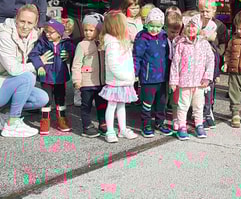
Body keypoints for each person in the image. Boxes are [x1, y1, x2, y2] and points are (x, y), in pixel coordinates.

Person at [0, 4, 52, 138]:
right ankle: (12, 123)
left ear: (35, 23)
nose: (25, 26)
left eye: (29, 23)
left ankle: (3, 114)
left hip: (5, 84)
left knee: (42, 98)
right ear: (16, 19)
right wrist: (37, 63)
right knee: (28, 77)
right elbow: (14, 70)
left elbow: (55, 33)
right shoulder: (4, 37)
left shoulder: (31, 36)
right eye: (22, 21)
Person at [169, 14, 215, 141]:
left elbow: (210, 61)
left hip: (199, 82)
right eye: (188, 26)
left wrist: (207, 77)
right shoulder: (181, 44)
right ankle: (182, 126)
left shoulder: (204, 44)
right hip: (184, 82)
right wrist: (173, 81)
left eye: (194, 26)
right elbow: (175, 64)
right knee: (183, 105)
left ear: (199, 28)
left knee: (198, 105)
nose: (191, 29)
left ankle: (199, 125)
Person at [29, 19, 75, 135]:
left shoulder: (66, 43)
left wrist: (69, 54)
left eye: (51, 32)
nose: (47, 34)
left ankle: (62, 119)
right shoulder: (42, 43)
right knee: (46, 99)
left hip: (60, 76)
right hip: (46, 76)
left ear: (59, 33)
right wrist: (39, 65)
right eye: (46, 32)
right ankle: (45, 121)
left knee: (61, 98)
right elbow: (33, 54)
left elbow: (75, 51)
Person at [99, 11, 139, 143]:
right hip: (116, 81)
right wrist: (126, 76)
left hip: (124, 80)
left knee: (121, 106)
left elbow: (128, 60)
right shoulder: (112, 43)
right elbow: (113, 65)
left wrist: (131, 75)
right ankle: (110, 131)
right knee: (111, 106)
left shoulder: (122, 41)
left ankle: (122, 129)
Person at [133, 8, 172, 137]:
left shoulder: (164, 37)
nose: (154, 29)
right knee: (147, 102)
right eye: (152, 26)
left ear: (162, 26)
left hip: (162, 76)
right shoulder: (142, 38)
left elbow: (168, 55)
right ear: (146, 24)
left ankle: (160, 123)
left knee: (161, 102)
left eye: (158, 27)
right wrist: (135, 72)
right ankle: (146, 124)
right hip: (148, 77)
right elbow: (137, 56)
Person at [71, 13, 108, 138]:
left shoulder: (102, 43)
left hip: (101, 82)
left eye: (91, 30)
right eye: (86, 30)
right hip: (86, 82)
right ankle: (86, 126)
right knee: (86, 105)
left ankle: (102, 122)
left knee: (102, 104)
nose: (88, 33)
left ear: (98, 30)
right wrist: (77, 80)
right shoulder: (82, 45)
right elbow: (76, 64)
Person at [197, 0, 229, 129]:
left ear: (214, 11)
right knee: (199, 86)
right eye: (202, 11)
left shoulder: (219, 25)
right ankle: (198, 111)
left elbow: (224, 41)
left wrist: (218, 53)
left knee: (211, 86)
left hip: (213, 60)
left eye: (207, 11)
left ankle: (209, 109)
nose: (205, 14)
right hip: (198, 61)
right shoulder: (195, 23)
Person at [163, 11, 183, 129]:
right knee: (164, 94)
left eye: (177, 32)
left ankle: (175, 116)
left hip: (176, 72)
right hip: (165, 70)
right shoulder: (163, 39)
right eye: (172, 32)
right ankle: (162, 114)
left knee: (176, 96)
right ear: (165, 28)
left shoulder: (180, 41)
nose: (174, 34)